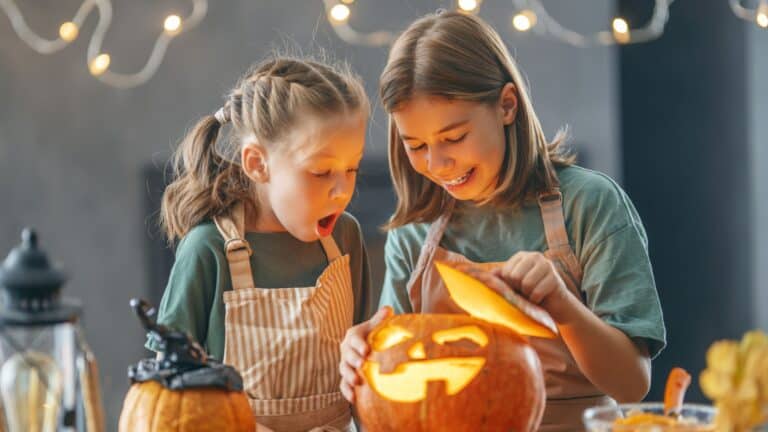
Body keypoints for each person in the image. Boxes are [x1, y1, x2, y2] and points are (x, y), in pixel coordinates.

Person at [339, 11, 666, 431]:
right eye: (416, 145)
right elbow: (393, 386)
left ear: (506, 105)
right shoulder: (412, 234)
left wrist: (562, 308)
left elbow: (631, 383)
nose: (437, 164)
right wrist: (363, 354)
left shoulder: (589, 204)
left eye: (454, 138)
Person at [150, 55, 373, 432]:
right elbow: (163, 392)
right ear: (257, 164)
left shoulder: (346, 238)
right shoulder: (208, 249)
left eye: (352, 169)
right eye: (321, 171)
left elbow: (366, 366)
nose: (342, 191)